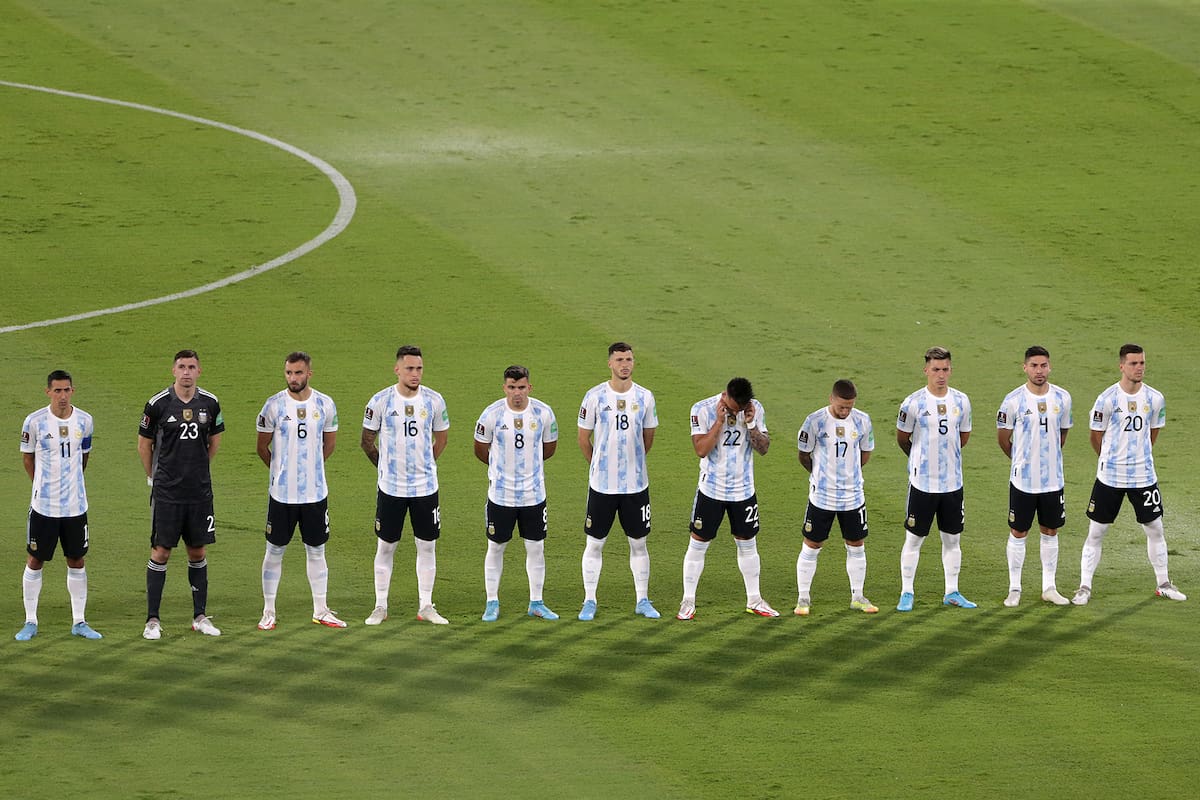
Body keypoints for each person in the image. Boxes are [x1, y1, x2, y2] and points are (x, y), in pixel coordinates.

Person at [1072, 344, 1186, 605]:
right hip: (1110, 478)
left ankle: (1164, 583)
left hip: (1143, 477)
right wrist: (1111, 461)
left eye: (1142, 363)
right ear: (1121, 366)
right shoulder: (1107, 399)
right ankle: (1084, 587)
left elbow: (1152, 432)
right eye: (1134, 363)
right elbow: (1095, 436)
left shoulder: (1155, 398)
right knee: (1097, 531)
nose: (1139, 368)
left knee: (1155, 528)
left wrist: (1138, 459)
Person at [361, 345, 450, 625]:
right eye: (409, 368)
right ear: (397, 369)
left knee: (427, 546)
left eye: (419, 368)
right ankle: (380, 606)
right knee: (386, 546)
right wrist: (385, 467)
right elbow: (367, 441)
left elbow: (441, 438)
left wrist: (426, 464)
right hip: (391, 489)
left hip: (425, 488)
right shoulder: (380, 401)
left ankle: (426, 605)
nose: (415, 374)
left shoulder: (434, 400)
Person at [255, 352, 346, 630]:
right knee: (274, 550)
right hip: (282, 495)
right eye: (288, 373)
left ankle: (321, 609)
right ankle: (268, 611)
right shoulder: (273, 406)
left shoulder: (325, 404)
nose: (293, 378)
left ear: (309, 374)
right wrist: (281, 470)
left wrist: (310, 469)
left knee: (317, 551)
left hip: (315, 495)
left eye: (298, 373)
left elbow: (328, 445)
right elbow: (262, 447)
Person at [138, 349, 224, 639]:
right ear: (173, 371)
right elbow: (144, 444)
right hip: (167, 494)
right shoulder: (158, 404)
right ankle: (152, 620)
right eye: (182, 367)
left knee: (197, 551)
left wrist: (197, 470)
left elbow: (214, 441)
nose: (186, 372)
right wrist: (154, 478)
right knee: (161, 552)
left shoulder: (210, 403)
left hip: (199, 493)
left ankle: (200, 616)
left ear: (199, 371)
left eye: (192, 367)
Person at [678, 377, 778, 620]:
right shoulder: (701, 409)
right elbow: (701, 449)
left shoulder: (755, 409)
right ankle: (688, 600)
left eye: (740, 409)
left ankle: (754, 599)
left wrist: (752, 423)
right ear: (724, 395)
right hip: (711, 490)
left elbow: (763, 448)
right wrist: (720, 421)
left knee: (748, 543)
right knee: (698, 543)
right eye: (734, 408)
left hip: (743, 491)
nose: (737, 413)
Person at [15, 370, 102, 641]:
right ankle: (30, 621)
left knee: (76, 559)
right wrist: (42, 486)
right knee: (36, 559)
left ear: (72, 391)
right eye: (57, 391)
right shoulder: (34, 422)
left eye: (66, 390)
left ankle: (79, 621)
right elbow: (28, 459)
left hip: (76, 506)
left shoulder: (85, 421)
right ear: (48, 392)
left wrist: (72, 485)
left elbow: (83, 458)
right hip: (44, 507)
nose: (62, 396)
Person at [576, 342, 660, 621]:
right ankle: (589, 600)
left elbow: (648, 438)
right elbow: (583, 438)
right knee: (595, 544)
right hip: (602, 486)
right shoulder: (595, 396)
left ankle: (642, 600)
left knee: (639, 543)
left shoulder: (645, 397)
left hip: (636, 486)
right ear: (610, 364)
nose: (625, 364)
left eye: (629, 359)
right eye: (620, 360)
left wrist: (630, 462)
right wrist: (601, 464)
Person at [473, 365, 559, 621]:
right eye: (512, 387)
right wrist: (501, 469)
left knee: (536, 549)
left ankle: (536, 602)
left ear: (529, 387)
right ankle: (491, 602)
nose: (517, 393)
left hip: (533, 495)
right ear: (504, 388)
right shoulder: (491, 415)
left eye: (521, 387)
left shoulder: (543, 413)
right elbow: (480, 449)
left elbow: (549, 448)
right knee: (496, 547)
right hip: (501, 495)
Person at [895, 346, 975, 612]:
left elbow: (963, 437)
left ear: (951, 370)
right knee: (914, 539)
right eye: (936, 370)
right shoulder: (912, 403)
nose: (941, 375)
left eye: (945, 369)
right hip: (923, 484)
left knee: (952, 540)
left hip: (953, 484)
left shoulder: (961, 401)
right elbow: (902, 438)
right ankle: (907, 592)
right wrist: (921, 459)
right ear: (926, 370)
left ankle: (952, 591)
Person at [996, 346, 1073, 607]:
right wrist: (1022, 460)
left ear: (1049, 367)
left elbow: (1062, 434)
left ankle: (1049, 587)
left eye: (1044, 365)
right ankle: (1014, 588)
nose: (1039, 371)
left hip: (1053, 480)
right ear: (1025, 367)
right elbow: (1004, 439)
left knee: (1050, 530)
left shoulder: (1062, 398)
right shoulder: (1013, 400)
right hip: (1023, 481)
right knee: (1019, 531)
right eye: (1034, 366)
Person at [794, 379, 877, 616]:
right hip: (822, 496)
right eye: (842, 406)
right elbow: (803, 454)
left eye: (849, 407)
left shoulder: (862, 420)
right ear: (831, 399)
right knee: (812, 545)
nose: (845, 411)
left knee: (856, 545)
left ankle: (858, 597)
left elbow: (865, 452)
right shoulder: (815, 421)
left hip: (852, 496)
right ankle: (803, 599)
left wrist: (850, 475)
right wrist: (820, 475)